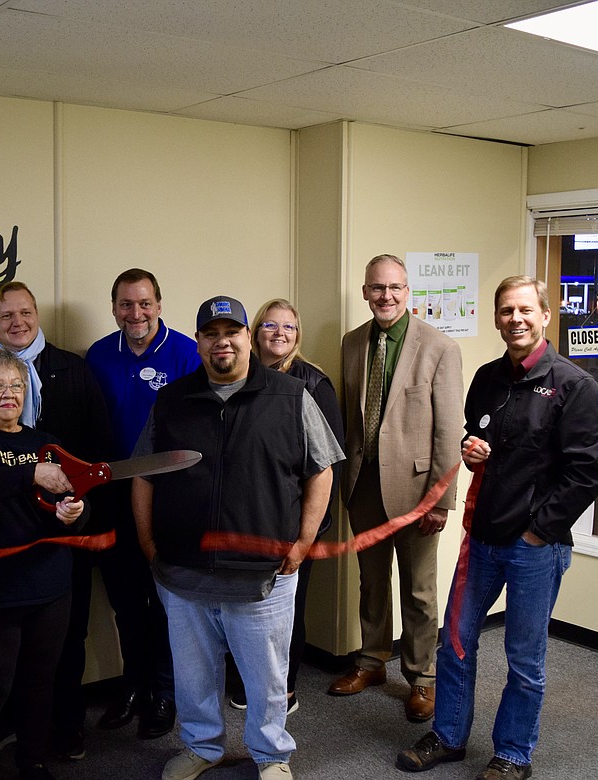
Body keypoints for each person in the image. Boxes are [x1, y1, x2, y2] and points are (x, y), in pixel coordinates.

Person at [397, 276, 598, 780]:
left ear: (544, 315)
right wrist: (471, 452)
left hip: (536, 545)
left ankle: (513, 754)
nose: (515, 319)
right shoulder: (489, 378)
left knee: (523, 658)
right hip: (485, 537)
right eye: (505, 311)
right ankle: (448, 737)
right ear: (496, 318)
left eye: (524, 310)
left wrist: (538, 532)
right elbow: (478, 440)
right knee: (455, 641)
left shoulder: (575, 386)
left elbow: (586, 473)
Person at [133, 295, 342, 780]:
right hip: (183, 571)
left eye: (231, 332)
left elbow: (322, 471)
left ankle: (271, 756)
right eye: (211, 334)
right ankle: (202, 747)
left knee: (266, 678)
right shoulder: (172, 400)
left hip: (261, 576)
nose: (221, 342)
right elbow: (143, 474)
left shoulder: (291, 396)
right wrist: (148, 540)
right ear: (199, 341)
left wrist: (303, 541)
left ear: (247, 338)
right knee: (192, 677)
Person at [0, 280, 112, 760]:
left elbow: (84, 476)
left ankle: (48, 752)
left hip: (50, 574)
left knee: (48, 674)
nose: (7, 394)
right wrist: (29, 474)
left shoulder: (55, 415)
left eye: (15, 385)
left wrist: (74, 512)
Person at [327, 254, 463, 723]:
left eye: (395, 288)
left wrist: (442, 499)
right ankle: (372, 662)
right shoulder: (351, 343)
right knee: (371, 583)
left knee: (420, 592)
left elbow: (448, 431)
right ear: (365, 292)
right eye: (376, 288)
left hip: (417, 491)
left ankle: (422, 679)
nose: (386, 296)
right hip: (363, 484)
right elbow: (348, 419)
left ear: (409, 293)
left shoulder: (439, 347)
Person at [85, 268, 200, 738]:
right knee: (126, 600)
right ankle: (132, 685)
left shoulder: (187, 353)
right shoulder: (96, 356)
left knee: (168, 601)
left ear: (159, 304)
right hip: (113, 496)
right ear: (114, 308)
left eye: (145, 303)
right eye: (126, 304)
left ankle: (166, 692)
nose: (136, 313)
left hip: (168, 496)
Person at [233, 298, 344, 716]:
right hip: (249, 516)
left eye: (289, 327)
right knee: (247, 604)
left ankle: (286, 687)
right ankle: (249, 679)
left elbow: (330, 462)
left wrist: (308, 531)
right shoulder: (237, 377)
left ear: (299, 335)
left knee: (286, 609)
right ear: (254, 331)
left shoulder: (314, 384)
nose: (279, 334)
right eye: (270, 325)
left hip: (298, 522)